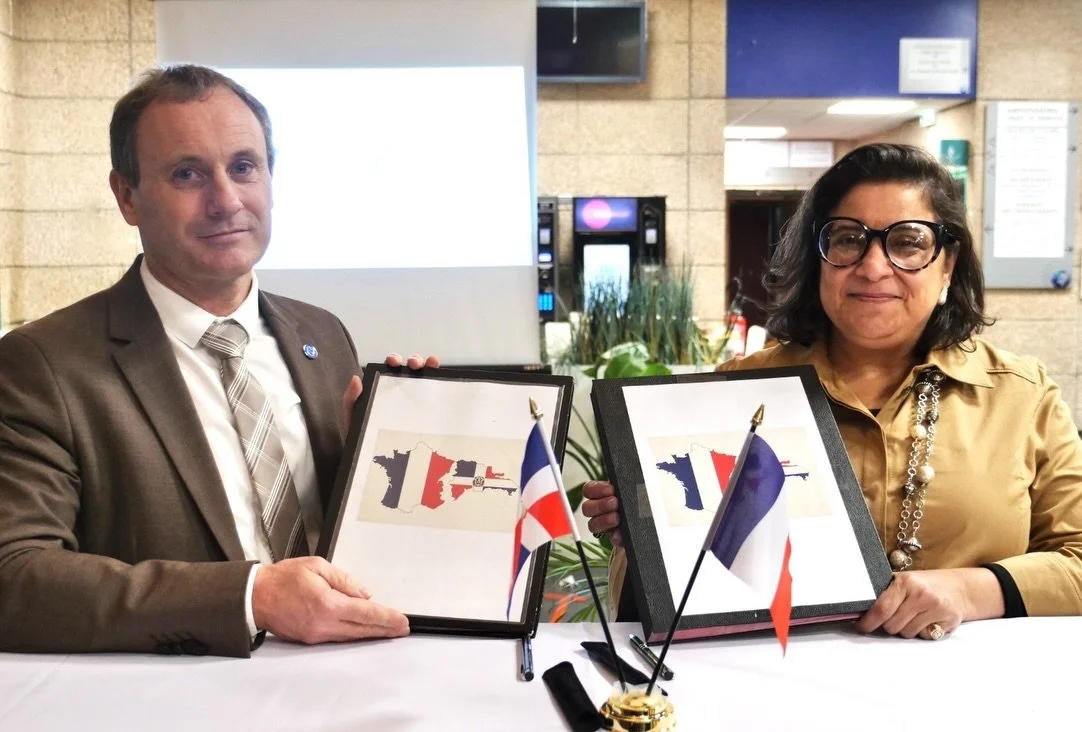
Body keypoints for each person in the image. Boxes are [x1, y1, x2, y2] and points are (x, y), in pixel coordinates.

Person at [0, 65, 438, 657]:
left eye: (243, 167)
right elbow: (16, 577)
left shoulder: (322, 333)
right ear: (127, 196)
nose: (226, 200)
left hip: (353, 682)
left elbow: (347, 531)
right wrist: (250, 596)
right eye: (187, 174)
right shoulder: (43, 366)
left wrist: (398, 455)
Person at [583, 143, 1082, 641]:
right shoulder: (740, 391)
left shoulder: (1020, 396)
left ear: (947, 264)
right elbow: (687, 585)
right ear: (818, 257)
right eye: (847, 239)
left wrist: (970, 591)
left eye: (908, 242)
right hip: (775, 685)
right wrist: (648, 536)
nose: (872, 266)